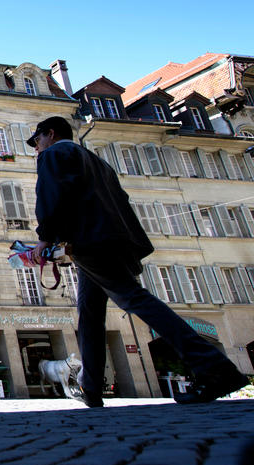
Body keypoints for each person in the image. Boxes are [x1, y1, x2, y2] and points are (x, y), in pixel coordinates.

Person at [26, 115, 248, 407]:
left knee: (135, 300)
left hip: (91, 241)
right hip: (114, 239)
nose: (36, 148)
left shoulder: (55, 153)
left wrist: (44, 238)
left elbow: (52, 197)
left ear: (50, 134)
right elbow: (119, 200)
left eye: (37, 141)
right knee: (90, 314)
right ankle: (90, 387)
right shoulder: (96, 161)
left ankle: (216, 369)